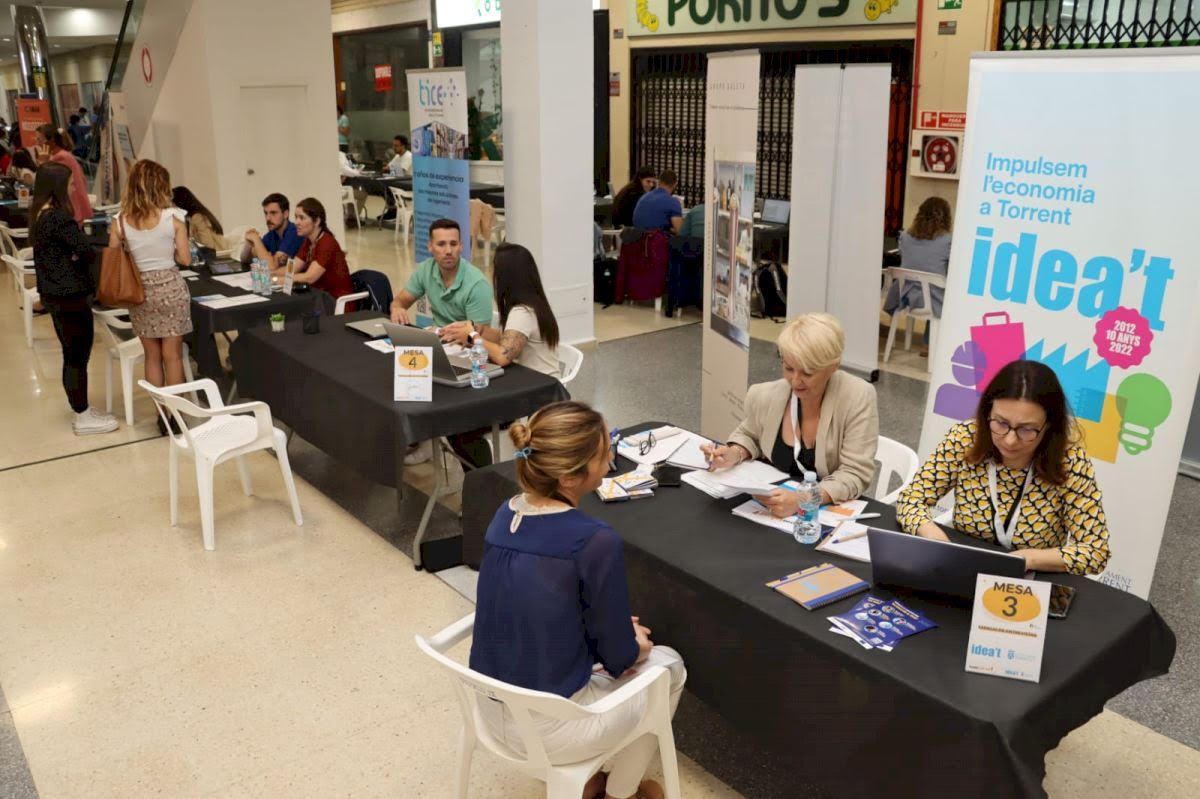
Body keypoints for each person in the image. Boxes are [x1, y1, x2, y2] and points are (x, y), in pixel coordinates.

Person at [471, 401, 687, 799]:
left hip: (487, 708)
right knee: (668, 666)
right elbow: (619, 658)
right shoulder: (594, 540)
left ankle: (589, 782)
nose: (611, 457)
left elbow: (544, 605)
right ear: (573, 475)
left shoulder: (505, 514)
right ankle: (621, 792)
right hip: (549, 729)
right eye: (606, 451)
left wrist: (610, 632)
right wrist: (635, 645)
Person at [897, 360, 1111, 575]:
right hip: (963, 569)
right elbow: (911, 499)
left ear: (1049, 426)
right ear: (987, 412)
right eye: (1001, 423)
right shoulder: (966, 438)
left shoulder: (1069, 461)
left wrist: (1028, 559)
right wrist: (936, 540)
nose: (1010, 440)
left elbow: (1096, 551)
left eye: (1026, 429)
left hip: (1030, 580)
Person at [701, 313, 879, 516]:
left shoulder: (856, 397)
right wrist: (734, 453)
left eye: (807, 373)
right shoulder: (766, 395)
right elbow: (750, 435)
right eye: (788, 368)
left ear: (833, 366)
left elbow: (855, 473)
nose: (795, 381)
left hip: (823, 515)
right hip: (772, 509)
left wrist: (804, 500)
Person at [31, 162, 117, 435]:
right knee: (77, 356)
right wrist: (77, 255)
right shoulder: (58, 218)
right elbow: (86, 251)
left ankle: (81, 408)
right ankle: (82, 415)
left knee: (71, 354)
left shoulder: (41, 215)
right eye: (69, 184)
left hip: (54, 294)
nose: (73, 188)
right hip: (70, 295)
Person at [113, 159, 192, 433]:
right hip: (170, 288)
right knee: (173, 356)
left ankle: (161, 416)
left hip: (139, 291)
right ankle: (176, 417)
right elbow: (185, 259)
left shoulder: (119, 221)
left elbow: (114, 259)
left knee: (152, 356)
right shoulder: (174, 217)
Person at [441, 242, 561, 378]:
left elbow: (503, 356)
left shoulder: (523, 313)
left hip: (540, 383)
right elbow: (506, 338)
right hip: (533, 378)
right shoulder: (532, 304)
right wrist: (475, 329)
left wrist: (472, 336)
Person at [390, 219, 492, 329]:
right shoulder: (425, 269)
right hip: (436, 336)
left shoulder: (477, 284)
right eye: (441, 244)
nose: (448, 251)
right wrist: (397, 309)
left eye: (453, 244)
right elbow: (400, 301)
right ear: (430, 247)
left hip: (465, 339)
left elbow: (480, 334)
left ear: (461, 246)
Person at [883, 196, 952, 356]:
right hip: (931, 299)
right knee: (942, 292)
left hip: (904, 296)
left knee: (928, 287)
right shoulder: (947, 241)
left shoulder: (905, 237)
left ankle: (926, 344)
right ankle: (929, 344)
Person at [261, 197, 354, 299]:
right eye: (296, 217)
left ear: (316, 221)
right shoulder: (308, 241)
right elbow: (292, 269)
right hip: (319, 297)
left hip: (336, 300)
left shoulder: (327, 243)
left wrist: (275, 280)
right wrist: (269, 274)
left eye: (302, 218)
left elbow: (309, 277)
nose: (297, 222)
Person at [34, 124, 93, 223]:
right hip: (70, 208)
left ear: (51, 140)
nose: (37, 142)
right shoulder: (61, 155)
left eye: (39, 139)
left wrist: (43, 164)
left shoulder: (60, 157)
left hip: (71, 209)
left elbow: (49, 184)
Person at [242, 192, 303, 266]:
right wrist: (248, 243)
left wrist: (256, 239)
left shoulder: (295, 232)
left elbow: (271, 266)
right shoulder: (271, 234)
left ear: (285, 214)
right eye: (266, 213)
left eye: (273, 213)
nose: (268, 218)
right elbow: (246, 260)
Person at [171, 186, 226, 251]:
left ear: (180, 202)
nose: (172, 207)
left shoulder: (197, 217)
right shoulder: (189, 218)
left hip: (217, 255)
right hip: (212, 253)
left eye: (172, 203)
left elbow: (208, 244)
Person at [632, 169, 683, 234]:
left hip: (637, 237)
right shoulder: (673, 202)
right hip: (655, 238)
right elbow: (680, 231)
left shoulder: (644, 196)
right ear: (675, 184)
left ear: (659, 182)